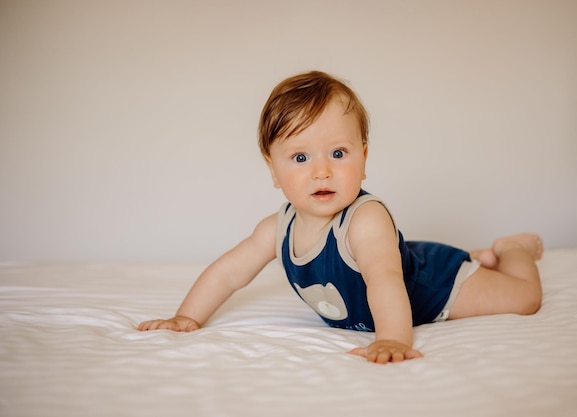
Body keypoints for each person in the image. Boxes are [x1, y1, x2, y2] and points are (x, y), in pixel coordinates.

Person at [137, 70, 543, 364]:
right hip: (398, 257)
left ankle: (513, 249)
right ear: (273, 170)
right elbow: (227, 273)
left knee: (524, 299)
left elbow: (384, 280)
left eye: (338, 153)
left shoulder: (365, 220)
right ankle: (477, 255)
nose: (322, 171)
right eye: (300, 157)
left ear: (363, 158)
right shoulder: (275, 229)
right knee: (391, 257)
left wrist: (393, 339)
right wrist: (185, 317)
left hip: (433, 285)